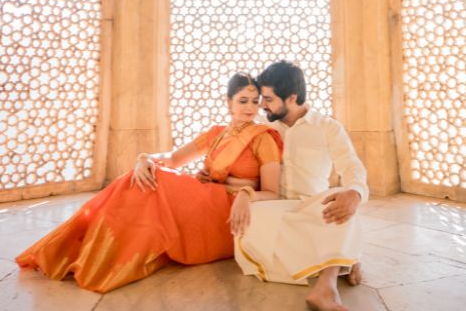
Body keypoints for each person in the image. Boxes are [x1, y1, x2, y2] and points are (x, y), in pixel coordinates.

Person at [16, 72, 282, 293]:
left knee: (158, 185)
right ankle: (88, 247)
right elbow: (174, 159)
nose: (250, 107)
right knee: (141, 178)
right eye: (243, 100)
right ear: (228, 103)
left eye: (254, 101)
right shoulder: (215, 134)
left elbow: (272, 192)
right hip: (205, 198)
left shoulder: (263, 138)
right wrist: (144, 159)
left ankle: (104, 256)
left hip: (229, 211)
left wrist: (247, 193)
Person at [235, 60, 368, 311]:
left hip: (314, 208)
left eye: (268, 99)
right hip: (275, 210)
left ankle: (326, 287)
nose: (262, 105)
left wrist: (355, 193)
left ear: (292, 97)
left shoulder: (328, 128)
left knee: (342, 201)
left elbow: (352, 167)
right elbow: (238, 168)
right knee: (252, 220)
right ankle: (344, 258)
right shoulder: (264, 130)